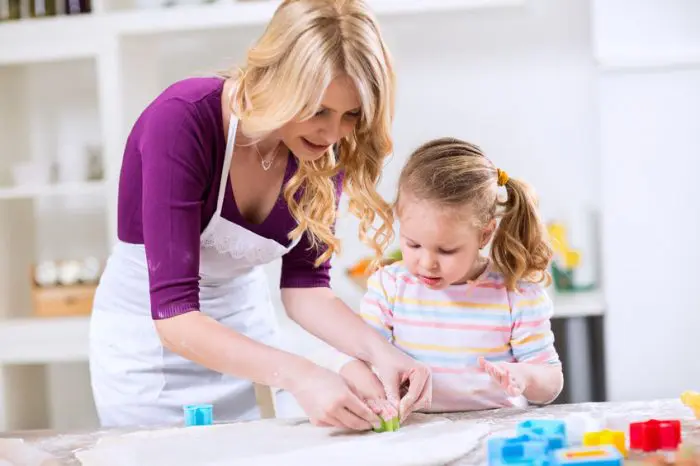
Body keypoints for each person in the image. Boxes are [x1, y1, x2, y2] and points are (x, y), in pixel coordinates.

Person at [88, 0, 431, 431]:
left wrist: (381, 353)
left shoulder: (323, 152)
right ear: (279, 78)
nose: (332, 133)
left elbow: (307, 289)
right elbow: (175, 317)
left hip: (247, 337)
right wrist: (302, 373)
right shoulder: (183, 120)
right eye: (318, 109)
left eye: (351, 115)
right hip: (150, 347)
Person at [334, 137, 564, 415]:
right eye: (413, 244)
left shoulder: (515, 293)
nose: (427, 263)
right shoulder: (390, 287)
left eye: (446, 250)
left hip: (495, 435)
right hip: (416, 434)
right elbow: (355, 359)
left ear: (485, 234)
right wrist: (371, 392)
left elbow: (551, 382)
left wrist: (525, 376)